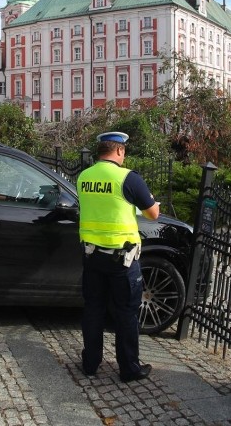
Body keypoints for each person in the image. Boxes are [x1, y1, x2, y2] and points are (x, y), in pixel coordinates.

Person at [77, 131, 160, 382]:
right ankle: (129, 369)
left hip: (92, 257)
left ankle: (90, 364)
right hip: (122, 261)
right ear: (120, 151)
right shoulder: (128, 178)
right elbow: (152, 214)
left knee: (93, 310)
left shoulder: (83, 177)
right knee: (126, 313)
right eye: (124, 151)